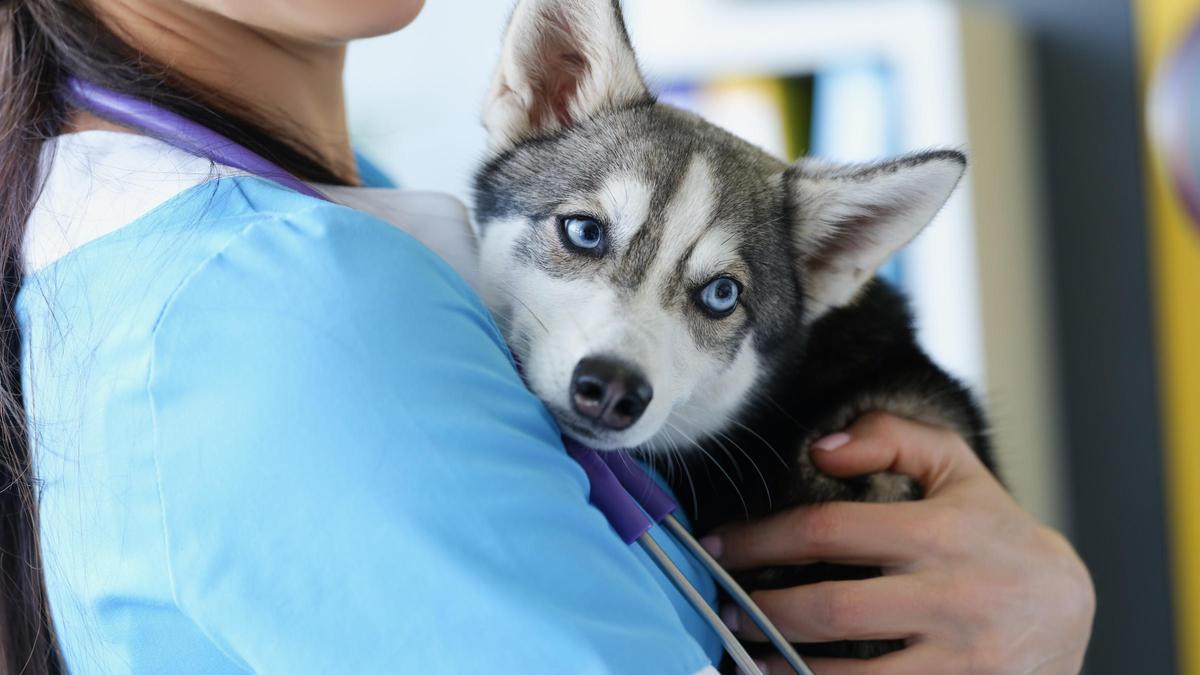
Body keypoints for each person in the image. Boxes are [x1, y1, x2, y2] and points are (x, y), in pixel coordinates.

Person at [0, 0, 1095, 673]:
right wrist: (1044, 632)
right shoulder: (282, 308)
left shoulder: (326, 219)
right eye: (583, 237)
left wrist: (1037, 606)